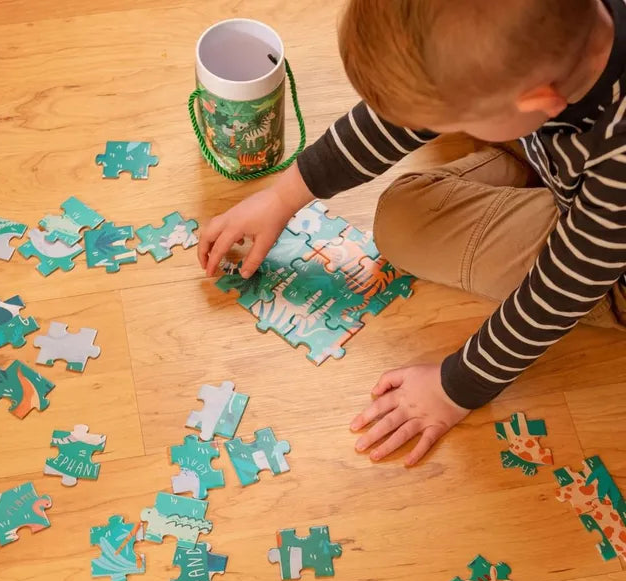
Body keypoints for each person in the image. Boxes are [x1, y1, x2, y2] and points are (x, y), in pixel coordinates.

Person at [199, 0, 626, 466]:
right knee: (448, 100)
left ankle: (532, 175)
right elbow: (400, 118)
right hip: (563, 161)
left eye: (452, 121)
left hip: (606, 276)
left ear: (541, 101)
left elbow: (560, 292)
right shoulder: (557, 47)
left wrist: (454, 388)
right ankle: (526, 163)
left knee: (403, 228)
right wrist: (282, 197)